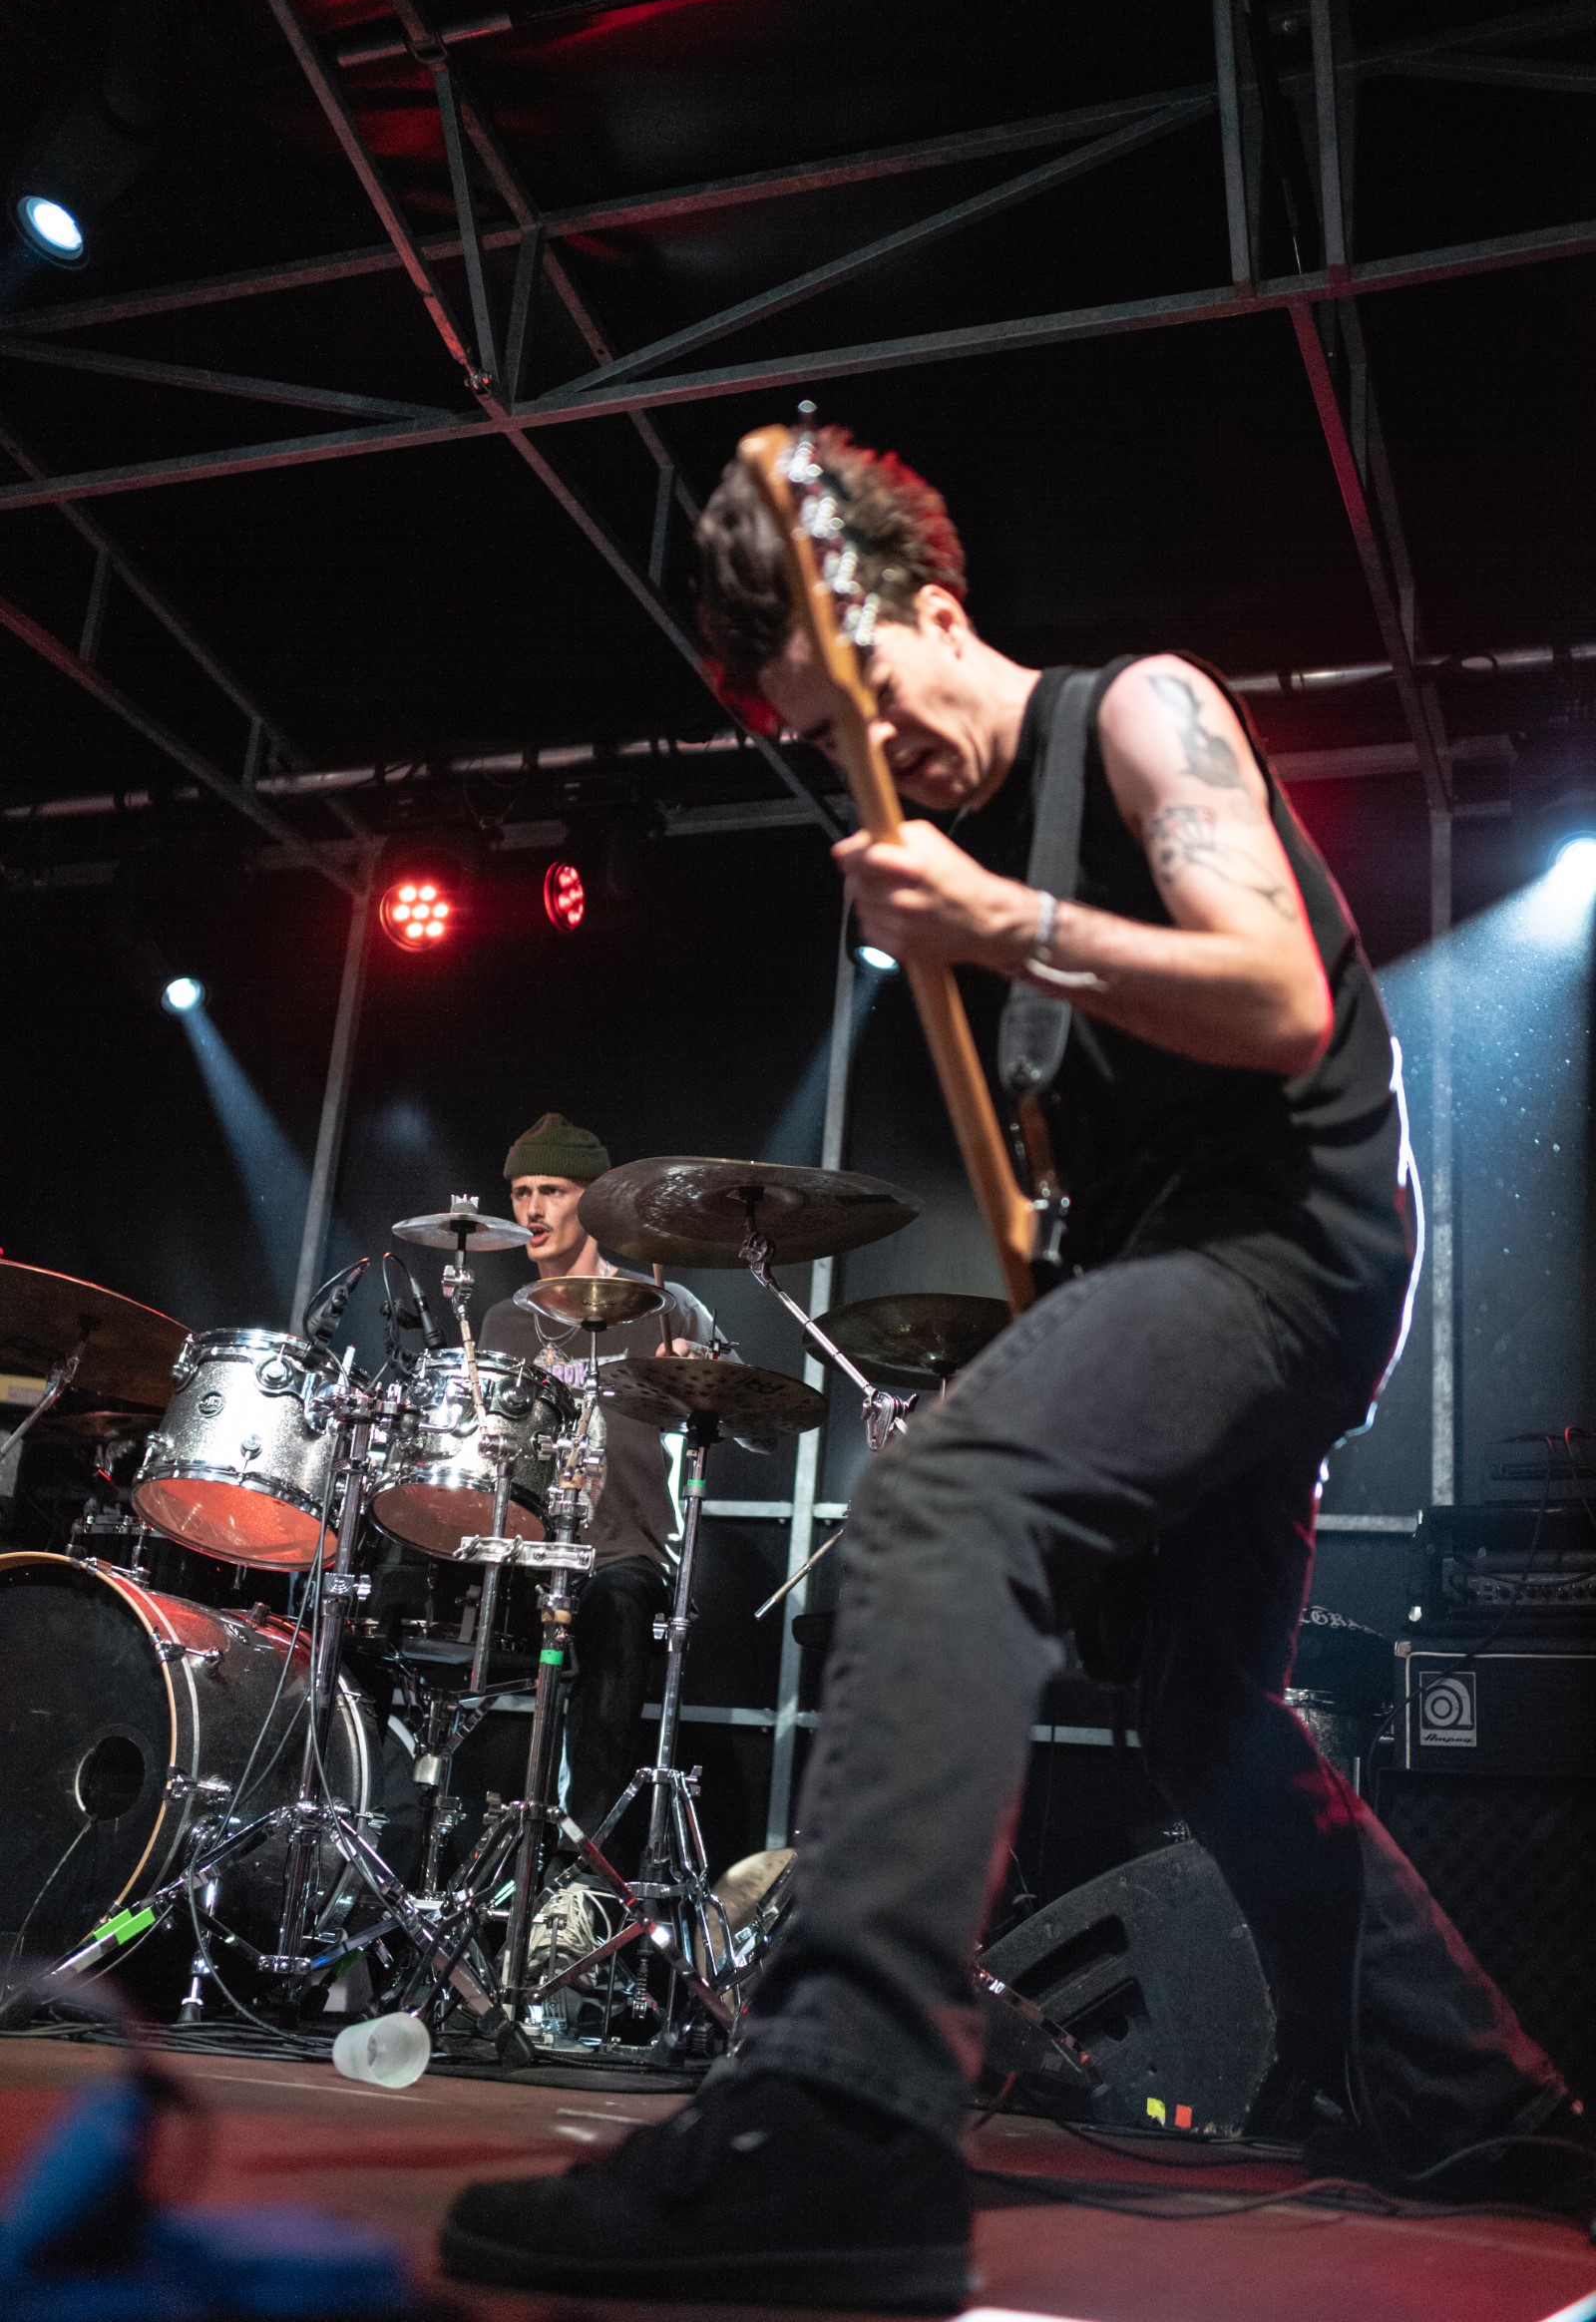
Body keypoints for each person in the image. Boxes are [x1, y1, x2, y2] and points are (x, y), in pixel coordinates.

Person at [444, 433, 1589, 2304]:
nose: (866, 762)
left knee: (938, 1499)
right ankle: (1472, 2095)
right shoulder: (981, 859)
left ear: (928, 608)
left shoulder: (1137, 710)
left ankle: (844, 2114)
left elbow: (1279, 995)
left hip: (1288, 1234)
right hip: (1190, 1259)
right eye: (822, 743)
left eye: (863, 707)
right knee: (1200, 1708)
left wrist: (994, 925)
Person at [479, 1112, 712, 1846]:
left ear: (595, 1201)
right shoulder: (501, 1322)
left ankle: (585, 1871)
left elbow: (749, 1418)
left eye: (551, 1190)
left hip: (622, 1551)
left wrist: (698, 1381)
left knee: (615, 1611)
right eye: (521, 1192)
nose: (532, 1209)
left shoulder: (666, 1308)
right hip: (524, 1547)